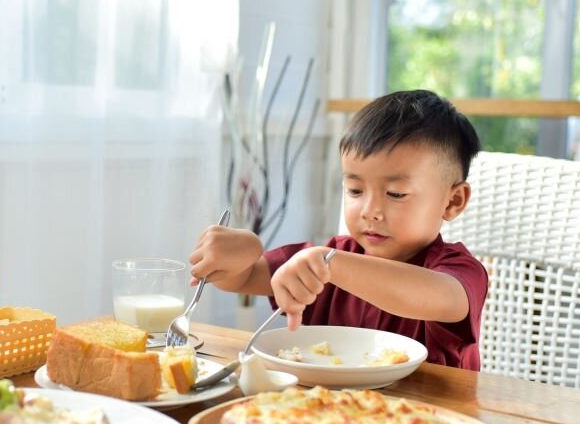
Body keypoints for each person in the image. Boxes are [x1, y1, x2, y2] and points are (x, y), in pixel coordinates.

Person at [189, 90, 488, 369]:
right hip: (331, 413)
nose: (370, 210)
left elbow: (443, 297)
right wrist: (240, 254)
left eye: (396, 193)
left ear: (453, 201)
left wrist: (331, 264)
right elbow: (245, 278)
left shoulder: (460, 272)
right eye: (356, 190)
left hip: (430, 419)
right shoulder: (330, 256)